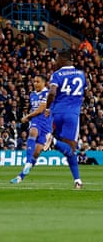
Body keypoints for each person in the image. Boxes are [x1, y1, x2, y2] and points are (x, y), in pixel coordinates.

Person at [44, 50, 87, 189]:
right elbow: (87, 89)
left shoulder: (57, 74)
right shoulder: (81, 74)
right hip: (72, 114)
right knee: (71, 149)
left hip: (56, 113)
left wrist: (48, 107)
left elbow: (52, 92)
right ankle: (54, 141)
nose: (55, 62)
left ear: (63, 60)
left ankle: (78, 181)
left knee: (69, 150)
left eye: (57, 59)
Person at [10, 75, 52, 183]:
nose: (35, 83)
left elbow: (41, 109)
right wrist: (29, 117)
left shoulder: (47, 93)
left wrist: (27, 117)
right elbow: (35, 110)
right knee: (32, 133)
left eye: (37, 81)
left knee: (37, 152)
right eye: (34, 81)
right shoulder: (32, 94)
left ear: (43, 83)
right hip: (36, 121)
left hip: (46, 124)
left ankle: (21, 176)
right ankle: (28, 162)